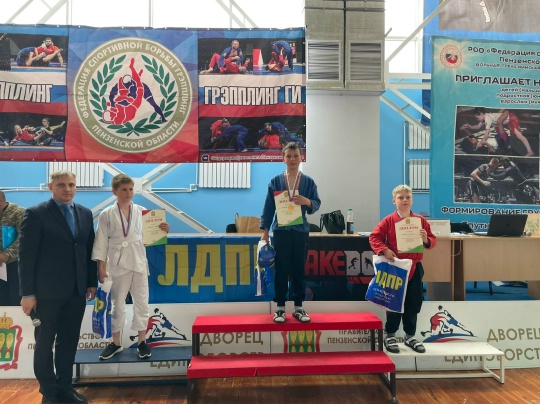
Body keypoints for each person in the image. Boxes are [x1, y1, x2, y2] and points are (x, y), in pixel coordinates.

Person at [18, 170, 97, 404]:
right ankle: (49, 393)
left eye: (71, 184)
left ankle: (65, 389)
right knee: (44, 344)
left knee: (68, 342)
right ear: (50, 186)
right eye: (61, 185)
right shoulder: (35, 214)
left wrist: (91, 282)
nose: (67, 189)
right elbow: (26, 256)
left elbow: (88, 250)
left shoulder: (85, 213)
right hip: (46, 293)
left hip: (76, 291)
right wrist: (28, 293)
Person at [92, 174, 170, 361]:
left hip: (138, 262)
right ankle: (116, 342)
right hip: (116, 263)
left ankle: (142, 341)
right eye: (124, 189)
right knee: (116, 304)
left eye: (130, 189)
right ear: (114, 192)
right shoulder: (106, 214)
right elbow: (101, 242)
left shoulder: (142, 212)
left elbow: (150, 237)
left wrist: (163, 230)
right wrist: (101, 268)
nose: (128, 193)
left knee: (142, 302)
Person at [369, 184, 436, 354]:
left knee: (413, 302)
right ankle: (390, 335)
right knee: (393, 302)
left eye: (408, 197)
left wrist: (426, 240)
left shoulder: (420, 221)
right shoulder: (388, 220)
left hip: (414, 267)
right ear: (394, 201)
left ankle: (410, 336)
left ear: (412, 200)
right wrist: (384, 250)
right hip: (395, 268)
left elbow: (432, 240)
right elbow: (374, 237)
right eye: (401, 198)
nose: (404, 200)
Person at [260, 142, 321, 323]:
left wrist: (306, 202)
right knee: (281, 269)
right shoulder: (275, 181)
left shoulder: (308, 181)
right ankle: (280, 308)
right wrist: (265, 232)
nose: (292, 159)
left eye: (296, 156)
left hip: (300, 231)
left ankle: (298, 307)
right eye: (289, 156)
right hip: (281, 231)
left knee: (298, 269)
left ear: (301, 158)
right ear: (283, 158)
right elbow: (268, 208)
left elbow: (316, 203)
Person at [103, 58, 167, 125]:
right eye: (126, 84)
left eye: (129, 83)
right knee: (125, 99)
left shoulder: (135, 84)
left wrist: (133, 69)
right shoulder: (120, 85)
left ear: (131, 81)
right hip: (133, 99)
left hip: (142, 90)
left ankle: (162, 117)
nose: (128, 84)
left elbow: (138, 83)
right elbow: (111, 95)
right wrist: (112, 103)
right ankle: (162, 117)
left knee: (153, 103)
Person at [464, 107, 535, 156]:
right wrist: (470, 127)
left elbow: (484, 132)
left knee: (519, 136)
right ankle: (528, 150)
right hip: (505, 129)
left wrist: (482, 141)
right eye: (476, 119)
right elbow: (478, 127)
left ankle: (530, 151)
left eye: (477, 118)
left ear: (482, 114)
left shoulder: (487, 119)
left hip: (510, 120)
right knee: (500, 126)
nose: (477, 120)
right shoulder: (485, 118)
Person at [0, 190, 25, 306]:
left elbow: (24, 236)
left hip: (15, 264)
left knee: (15, 300)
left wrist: (7, 254)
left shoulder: (19, 212)